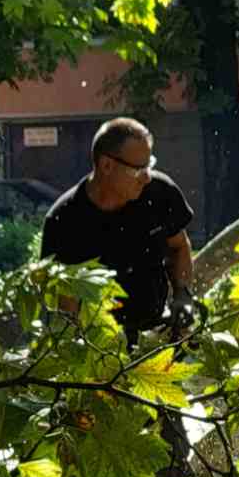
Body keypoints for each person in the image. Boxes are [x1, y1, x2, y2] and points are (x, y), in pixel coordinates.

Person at [39, 117, 197, 340]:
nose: (147, 178)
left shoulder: (160, 193)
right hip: (100, 347)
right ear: (106, 165)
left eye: (149, 165)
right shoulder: (65, 221)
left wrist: (183, 294)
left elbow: (179, 246)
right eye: (138, 169)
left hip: (159, 333)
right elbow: (65, 312)